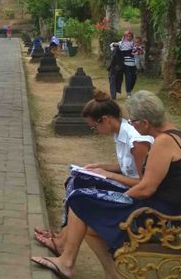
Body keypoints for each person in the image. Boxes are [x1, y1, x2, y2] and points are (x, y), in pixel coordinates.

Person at [30, 90, 181, 279]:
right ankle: (110, 273)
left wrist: (115, 199)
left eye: (133, 121)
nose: (132, 125)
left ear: (145, 123)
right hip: (159, 208)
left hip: (157, 216)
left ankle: (67, 262)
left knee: (82, 200)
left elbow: (146, 187)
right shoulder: (171, 134)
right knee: (88, 217)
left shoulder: (163, 143)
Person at [33, 90, 152, 256]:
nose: (95, 130)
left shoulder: (137, 142)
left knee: (81, 196)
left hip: (136, 197)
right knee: (76, 180)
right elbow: (127, 167)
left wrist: (109, 175)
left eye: (95, 126)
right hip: (126, 186)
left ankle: (64, 244)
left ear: (105, 119)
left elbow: (144, 183)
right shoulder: (120, 133)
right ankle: (62, 237)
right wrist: (100, 167)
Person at [109, 29, 137, 99]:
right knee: (125, 78)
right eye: (127, 36)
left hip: (132, 64)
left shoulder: (134, 43)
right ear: (124, 36)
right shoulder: (121, 43)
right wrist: (114, 44)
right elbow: (112, 46)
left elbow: (139, 50)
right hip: (123, 64)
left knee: (132, 78)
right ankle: (127, 93)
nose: (128, 37)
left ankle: (129, 91)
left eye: (130, 36)